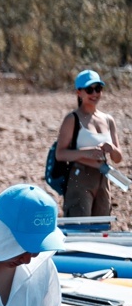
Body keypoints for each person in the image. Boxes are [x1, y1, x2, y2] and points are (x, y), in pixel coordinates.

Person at [56, 69, 123, 218]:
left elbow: (118, 158)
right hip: (80, 177)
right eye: (89, 89)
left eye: (98, 88)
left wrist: (111, 149)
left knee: (102, 228)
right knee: (80, 227)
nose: (94, 94)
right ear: (79, 92)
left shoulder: (108, 120)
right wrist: (86, 153)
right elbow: (60, 153)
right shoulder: (72, 119)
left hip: (103, 178)